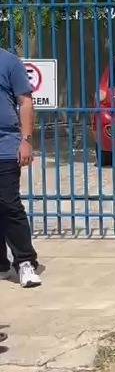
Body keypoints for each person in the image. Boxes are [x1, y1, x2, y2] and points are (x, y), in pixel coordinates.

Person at [0, 47, 42, 288]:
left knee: (8, 202)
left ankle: (25, 262)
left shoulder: (8, 61)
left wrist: (25, 140)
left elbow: (25, 101)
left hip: (5, 144)